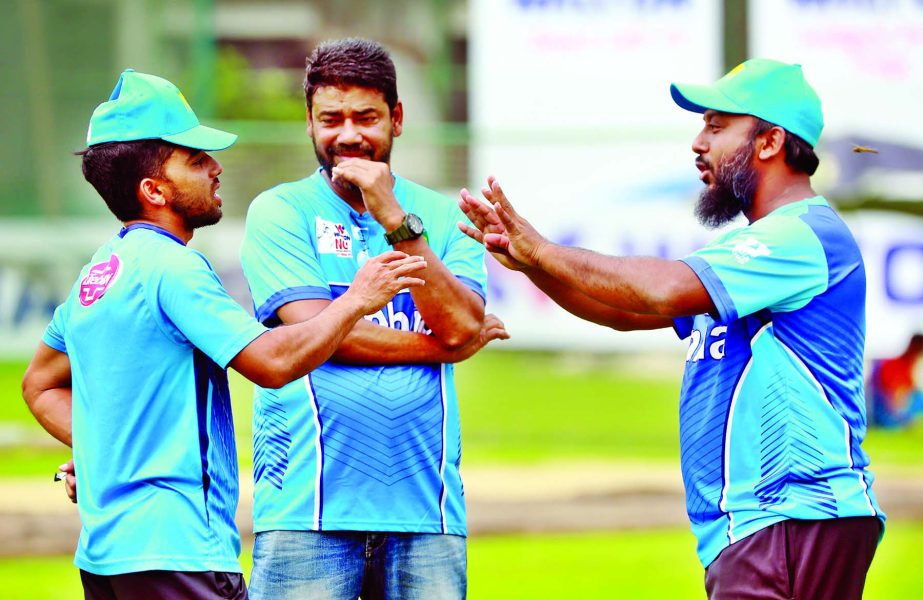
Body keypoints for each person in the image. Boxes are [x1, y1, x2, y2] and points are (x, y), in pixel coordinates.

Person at [458, 58, 885, 600]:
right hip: (768, 524)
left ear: (771, 141)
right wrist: (532, 263)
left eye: (715, 125)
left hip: (791, 513)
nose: (697, 143)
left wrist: (543, 249)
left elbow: (660, 288)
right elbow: (627, 311)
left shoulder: (801, 236)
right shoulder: (755, 250)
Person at [21, 69, 426, 600]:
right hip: (179, 552)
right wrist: (356, 299)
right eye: (194, 160)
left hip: (108, 556)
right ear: (154, 189)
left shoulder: (102, 269)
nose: (215, 168)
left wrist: (105, 451)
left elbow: (40, 384)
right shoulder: (175, 267)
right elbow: (271, 362)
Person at [238, 38, 507, 600]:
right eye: (330, 119)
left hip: (426, 513)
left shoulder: (441, 216)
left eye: (366, 117)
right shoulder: (280, 211)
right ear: (309, 123)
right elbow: (314, 334)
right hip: (304, 511)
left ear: (397, 119)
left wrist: (392, 216)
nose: (349, 136)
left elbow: (460, 320)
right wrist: (447, 347)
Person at [868, 333, 923, 428]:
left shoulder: (908, 369)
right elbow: (892, 397)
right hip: (885, 412)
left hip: (898, 410)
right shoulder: (892, 364)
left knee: (918, 396)